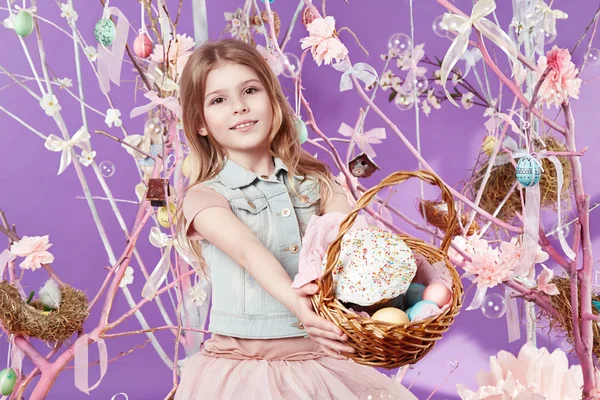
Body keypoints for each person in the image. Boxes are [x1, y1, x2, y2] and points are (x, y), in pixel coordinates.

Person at [174, 38, 416, 400]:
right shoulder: (205, 197)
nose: (239, 107)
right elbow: (246, 251)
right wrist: (300, 307)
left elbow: (354, 244)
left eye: (250, 91)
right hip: (244, 371)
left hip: (323, 360)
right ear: (200, 123)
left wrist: (411, 283)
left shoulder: (317, 184)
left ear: (272, 100)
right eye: (219, 100)